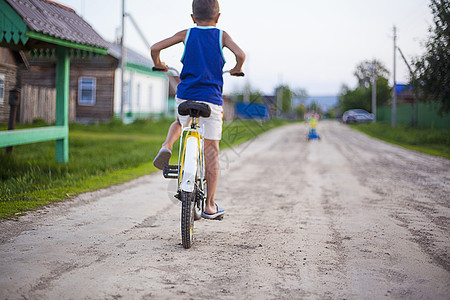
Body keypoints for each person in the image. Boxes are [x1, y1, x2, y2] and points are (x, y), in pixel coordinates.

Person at [151, 0, 245, 219]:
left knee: (179, 121)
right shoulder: (222, 36)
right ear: (218, 17)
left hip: (185, 97)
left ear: (193, 17)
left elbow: (155, 48)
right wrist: (237, 69)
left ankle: (167, 145)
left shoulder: (187, 33)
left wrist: (160, 63)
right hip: (211, 102)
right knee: (211, 152)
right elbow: (240, 55)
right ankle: (210, 205)